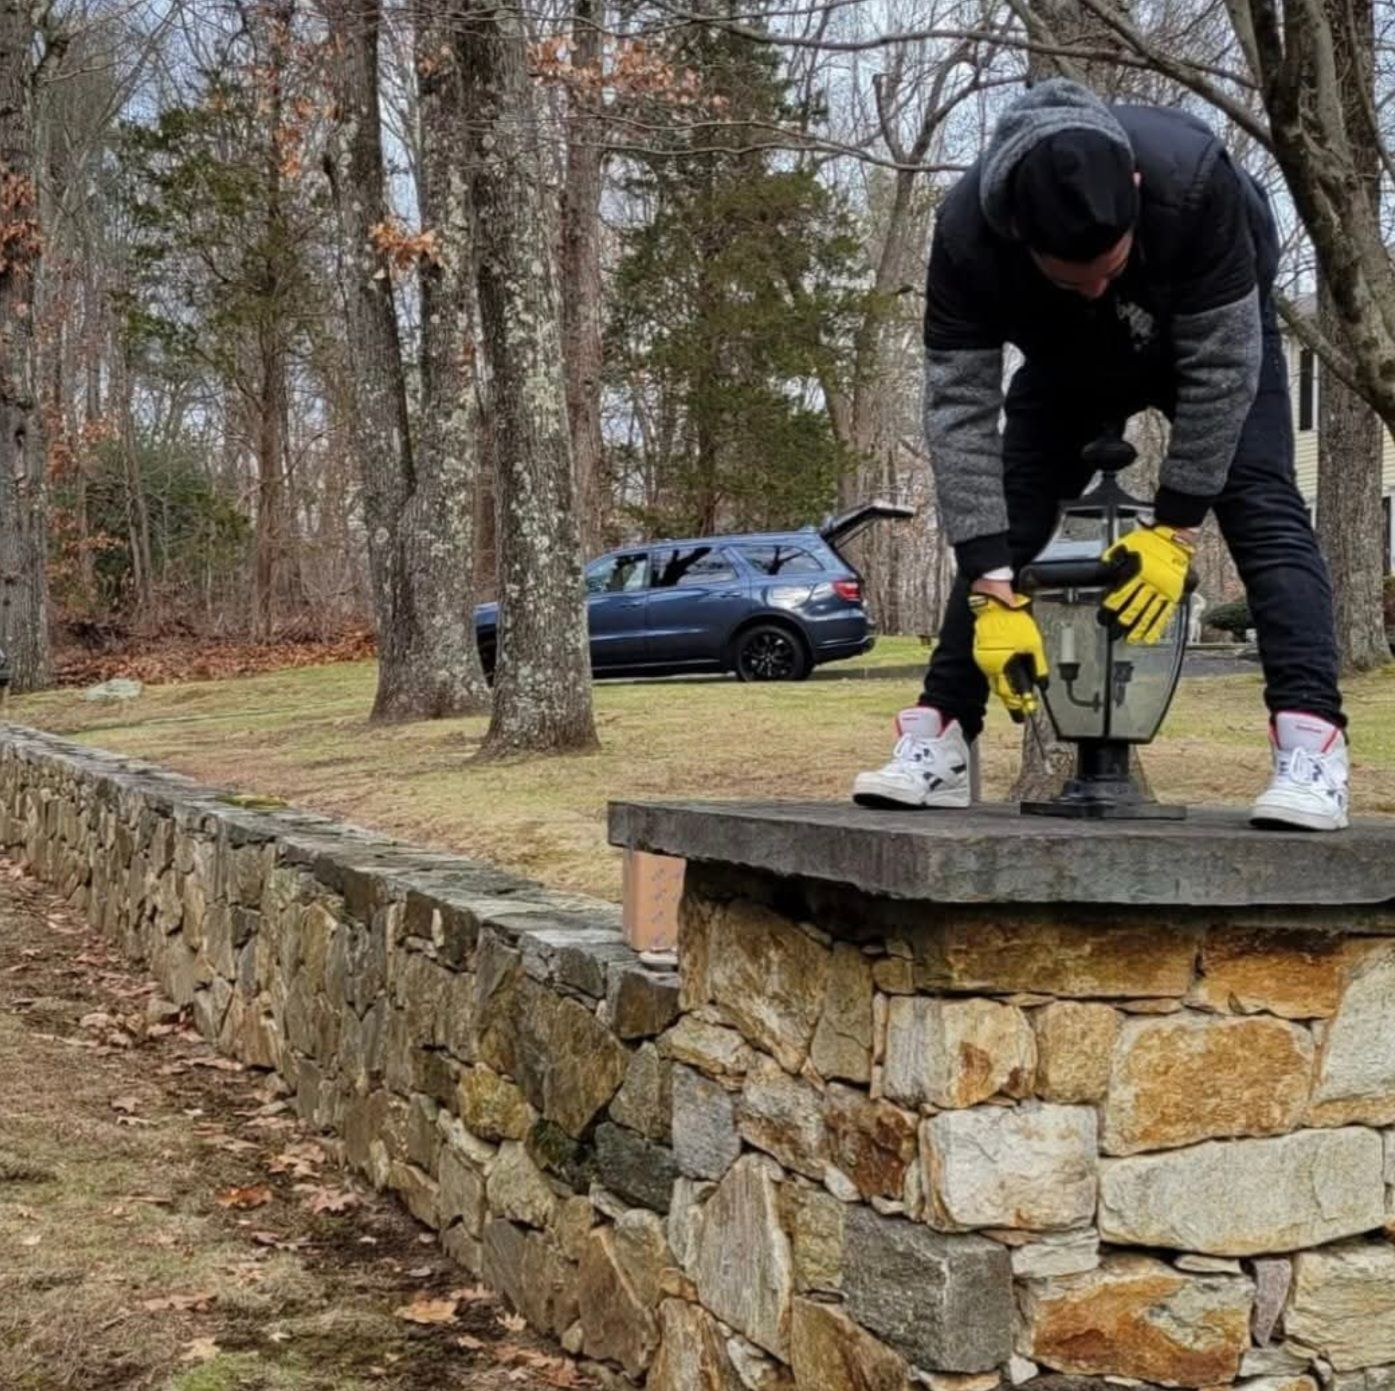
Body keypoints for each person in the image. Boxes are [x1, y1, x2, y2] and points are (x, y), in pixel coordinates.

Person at [852, 79, 1349, 831]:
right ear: (1018, 234)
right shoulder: (965, 237)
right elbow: (958, 413)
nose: (1091, 289)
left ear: (1136, 188)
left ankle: (1311, 746)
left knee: (1261, 503)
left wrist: (1175, 531)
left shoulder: (1194, 181)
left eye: (1106, 270)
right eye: (1069, 276)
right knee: (1006, 518)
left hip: (1204, 336)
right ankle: (942, 736)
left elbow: (1223, 372)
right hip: (1064, 364)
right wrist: (991, 587)